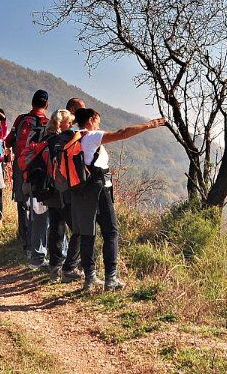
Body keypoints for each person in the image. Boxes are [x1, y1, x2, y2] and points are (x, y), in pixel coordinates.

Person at [67, 101, 167, 291]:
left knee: (87, 233)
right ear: (90, 120)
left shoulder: (74, 137)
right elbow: (123, 133)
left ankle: (89, 279)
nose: (99, 125)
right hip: (99, 188)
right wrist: (149, 125)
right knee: (111, 231)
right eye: (97, 121)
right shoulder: (92, 135)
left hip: (81, 190)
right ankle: (110, 279)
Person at [6, 90, 49, 259]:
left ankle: (24, 241)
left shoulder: (21, 119)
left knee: (22, 202)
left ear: (32, 103)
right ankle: (37, 242)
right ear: (46, 105)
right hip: (38, 168)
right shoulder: (47, 122)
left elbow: (8, 141)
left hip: (19, 165)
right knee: (39, 204)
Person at [42, 109, 81, 282]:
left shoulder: (45, 138)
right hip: (63, 190)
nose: (72, 124)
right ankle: (70, 267)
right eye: (69, 121)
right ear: (62, 123)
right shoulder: (66, 138)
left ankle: (55, 267)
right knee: (78, 229)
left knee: (56, 228)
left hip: (49, 189)